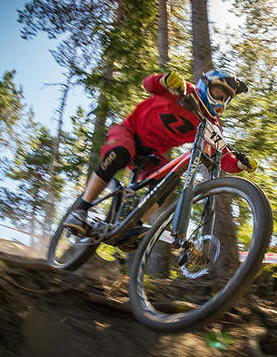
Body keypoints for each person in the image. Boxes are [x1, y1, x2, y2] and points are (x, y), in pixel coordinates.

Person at [64, 69, 256, 242]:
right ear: (205, 85)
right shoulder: (183, 90)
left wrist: (240, 164)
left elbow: (222, 156)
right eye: (218, 94)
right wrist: (165, 80)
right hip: (127, 132)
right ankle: (80, 210)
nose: (221, 101)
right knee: (121, 153)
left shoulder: (210, 124)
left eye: (225, 98)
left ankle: (132, 227)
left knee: (168, 181)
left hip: (150, 155)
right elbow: (148, 84)